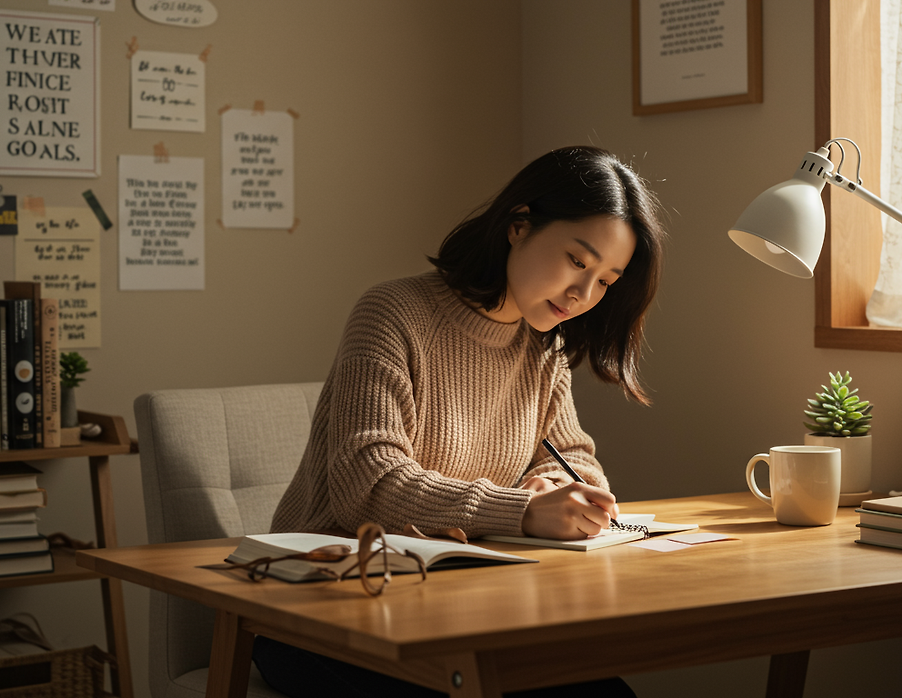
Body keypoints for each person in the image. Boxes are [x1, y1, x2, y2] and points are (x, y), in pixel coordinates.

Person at [256, 145, 668, 698]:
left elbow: (578, 461)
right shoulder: (391, 314)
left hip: (447, 607)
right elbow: (368, 486)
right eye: (577, 261)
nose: (583, 293)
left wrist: (554, 486)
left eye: (606, 281)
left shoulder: (541, 348)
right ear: (519, 225)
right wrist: (522, 509)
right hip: (319, 610)